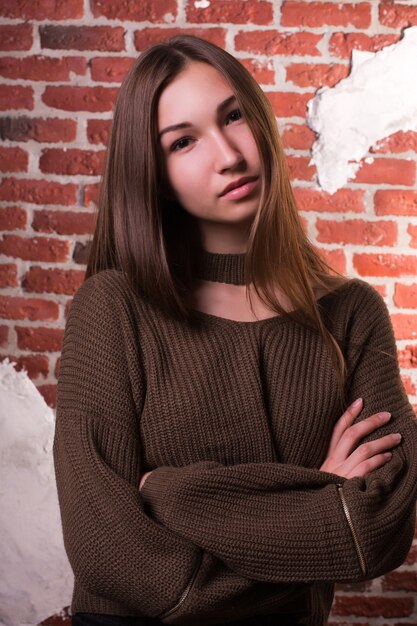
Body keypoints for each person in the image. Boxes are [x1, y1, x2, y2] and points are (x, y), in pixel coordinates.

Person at [53, 35, 417, 626]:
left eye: (234, 116)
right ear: (156, 173)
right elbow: (104, 546)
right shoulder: (114, 308)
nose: (227, 154)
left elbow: (378, 530)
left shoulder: (351, 314)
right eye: (184, 141)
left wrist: (170, 496)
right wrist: (319, 498)